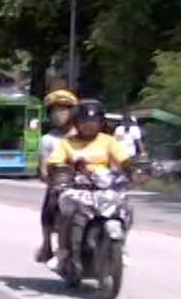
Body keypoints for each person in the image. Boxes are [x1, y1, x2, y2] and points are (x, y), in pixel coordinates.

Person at [39, 99, 135, 263]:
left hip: (103, 185)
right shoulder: (66, 143)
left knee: (125, 208)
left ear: (101, 123)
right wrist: (60, 169)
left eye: (94, 121)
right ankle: (62, 251)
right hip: (76, 186)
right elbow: (54, 162)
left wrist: (133, 169)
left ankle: (121, 247)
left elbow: (123, 159)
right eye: (85, 122)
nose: (89, 125)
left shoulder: (109, 141)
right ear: (76, 123)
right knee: (64, 211)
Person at [35, 88, 79, 262]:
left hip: (88, 182)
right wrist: (47, 176)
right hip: (61, 184)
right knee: (50, 204)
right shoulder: (48, 140)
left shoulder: (84, 135)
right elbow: (44, 167)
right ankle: (47, 245)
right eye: (55, 110)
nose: (59, 113)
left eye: (64, 108)